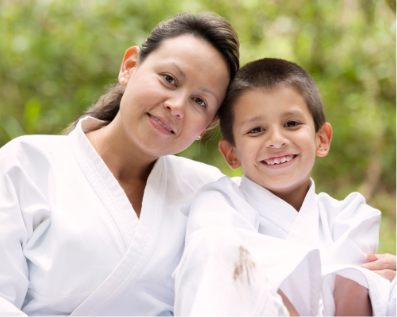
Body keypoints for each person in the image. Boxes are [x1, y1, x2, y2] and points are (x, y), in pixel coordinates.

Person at [0, 12, 244, 317]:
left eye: (200, 102)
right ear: (130, 67)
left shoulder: (210, 192)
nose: (177, 106)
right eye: (169, 79)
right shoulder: (26, 165)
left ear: (208, 126)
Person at [175, 58, 392, 317]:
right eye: (256, 130)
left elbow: (353, 303)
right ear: (231, 154)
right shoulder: (219, 203)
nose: (276, 140)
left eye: (291, 124)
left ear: (321, 139)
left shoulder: (350, 215)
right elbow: (222, 273)